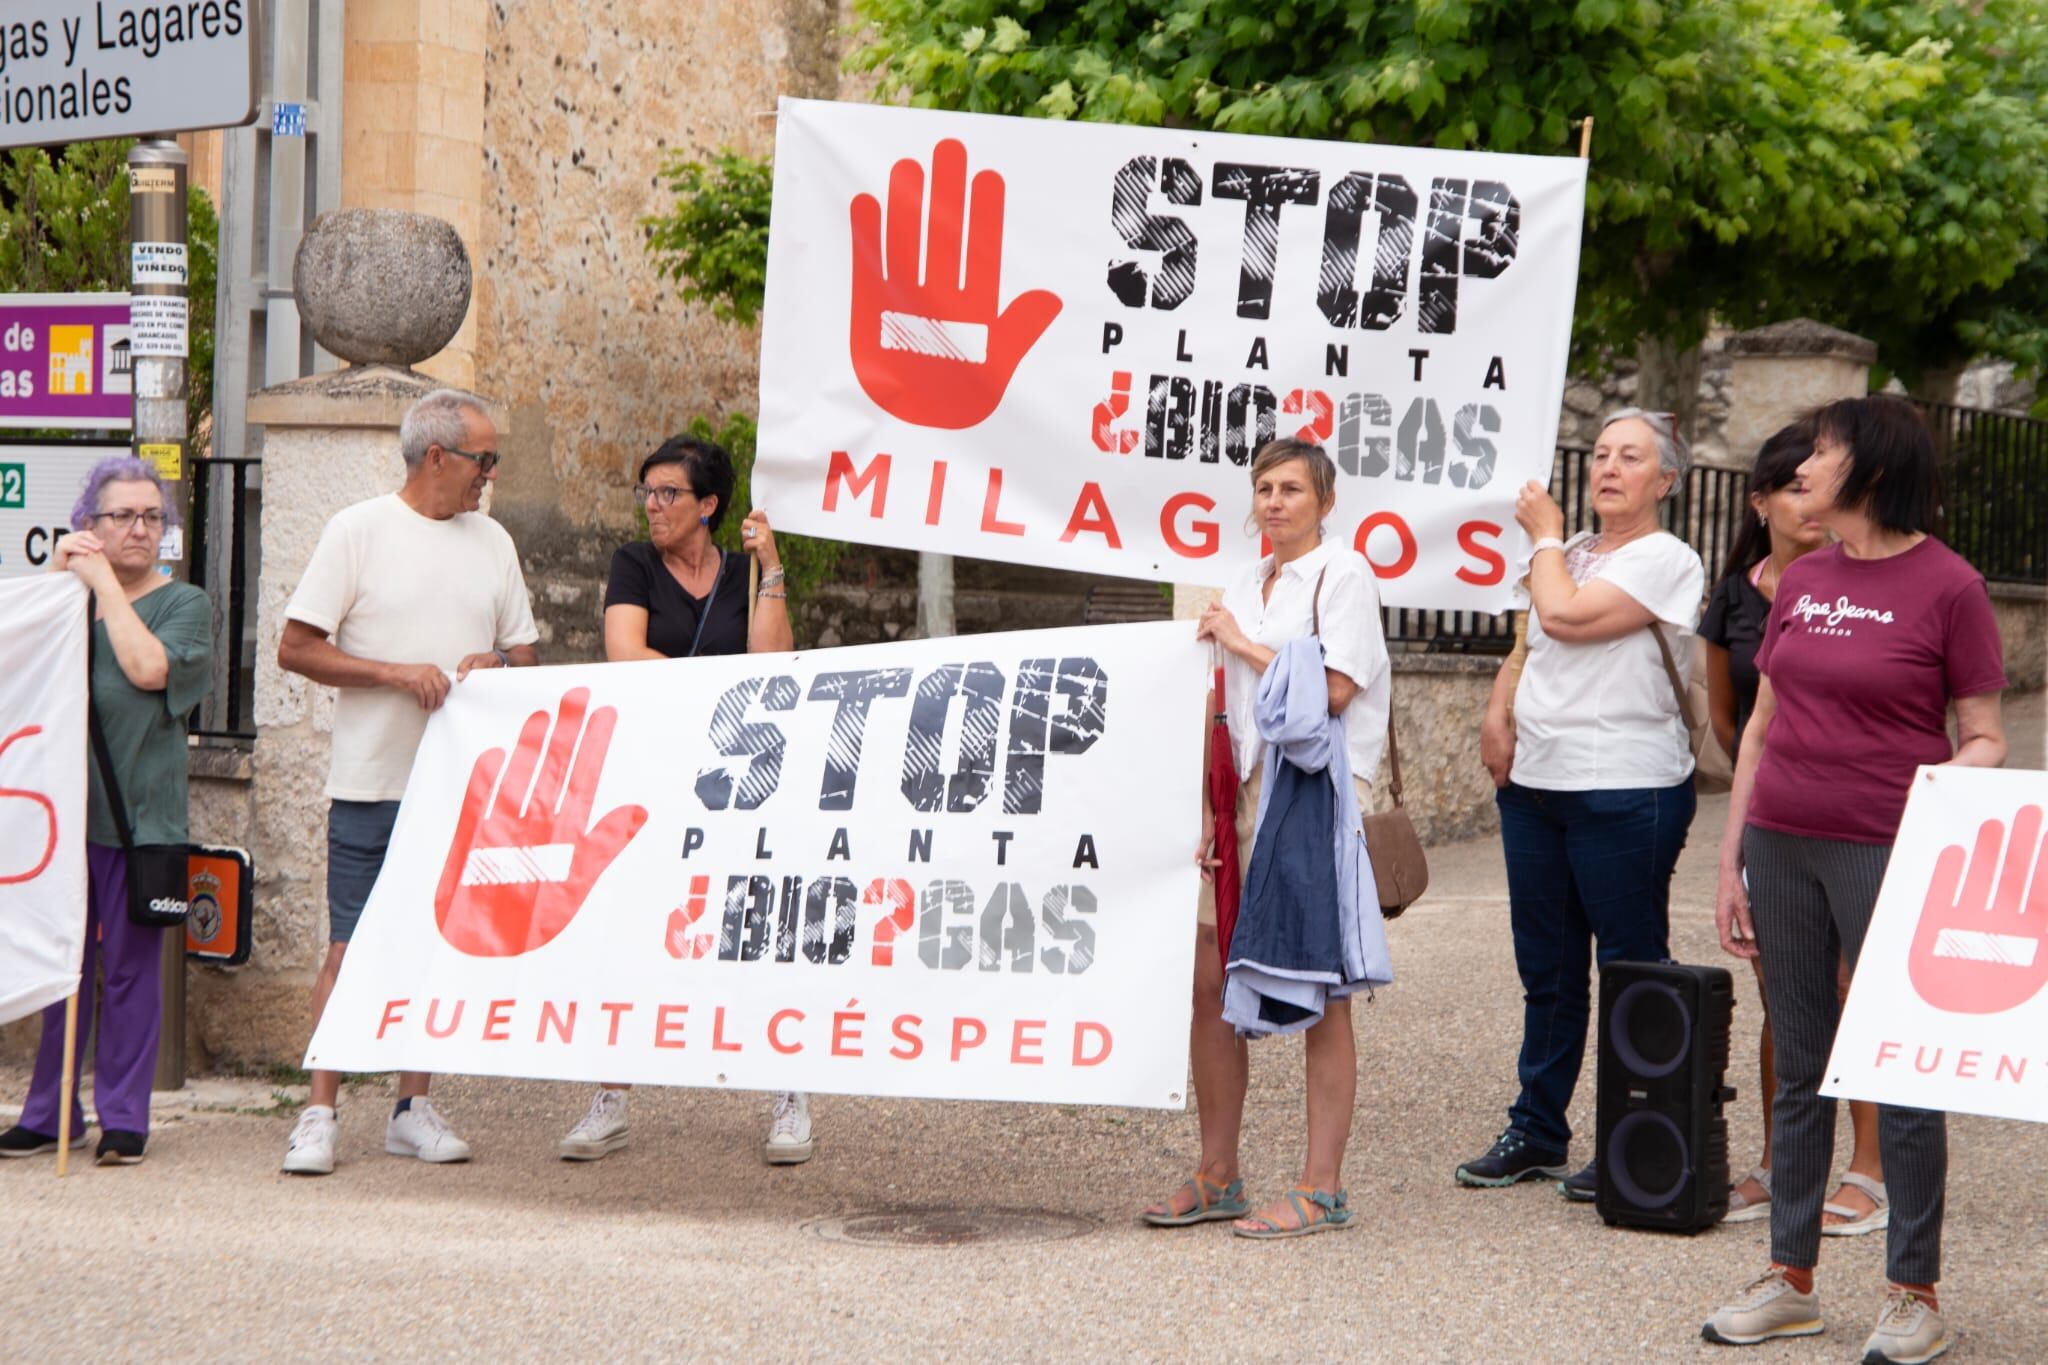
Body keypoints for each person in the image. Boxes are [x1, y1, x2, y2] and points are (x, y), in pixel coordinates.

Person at [1702, 396, 2005, 1365]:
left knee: (1900, 1076)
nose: (1802, 467)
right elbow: (1760, 723)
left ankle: (1911, 1293)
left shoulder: (1949, 587)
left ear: (1866, 467)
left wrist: (1933, 793)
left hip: (1886, 850)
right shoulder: (1801, 577)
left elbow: (1985, 737)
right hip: (1779, 843)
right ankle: (1788, 1279)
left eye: (1820, 452)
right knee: (1800, 1064)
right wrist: (1728, 858)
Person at [276, 389, 541, 1176]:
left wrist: (493, 663)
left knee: (431, 947)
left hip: (457, 786)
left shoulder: (494, 541)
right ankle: (320, 1109)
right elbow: (295, 647)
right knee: (349, 948)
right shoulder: (356, 531)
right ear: (437, 457)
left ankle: (410, 1106)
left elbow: (525, 659)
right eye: (482, 460)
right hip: (371, 780)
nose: (489, 475)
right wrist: (393, 673)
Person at [1140, 436, 1392, 1238]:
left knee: (1322, 991)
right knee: (1210, 973)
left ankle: (1323, 1186)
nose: (1274, 500)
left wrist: (1242, 640)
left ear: (1323, 500)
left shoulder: (1343, 573)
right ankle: (1219, 1172)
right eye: (1264, 487)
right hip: (1244, 795)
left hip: (1313, 797)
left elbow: (1337, 688)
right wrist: (1210, 803)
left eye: (1290, 488)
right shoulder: (1246, 579)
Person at [1458, 408, 1705, 1199]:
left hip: (1626, 786)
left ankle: (1634, 1138)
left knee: (1632, 969)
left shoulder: (1667, 558)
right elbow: (1527, 642)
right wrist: (1500, 711)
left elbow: (1565, 616)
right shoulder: (1565, 553)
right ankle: (1537, 1127)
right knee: (1549, 970)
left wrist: (1540, 535)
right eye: (1600, 452)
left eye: (1630, 457)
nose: (1608, 467)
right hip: (1537, 786)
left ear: (1664, 479)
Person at [555, 434, 806, 1165]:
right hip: (654, 774)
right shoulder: (633, 563)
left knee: (757, 927)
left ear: (709, 507)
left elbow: (772, 660)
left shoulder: (740, 572)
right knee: (632, 926)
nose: (654, 506)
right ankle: (612, 1096)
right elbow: (625, 652)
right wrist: (718, 698)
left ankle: (788, 1092)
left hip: (740, 782)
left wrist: (769, 562)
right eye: (649, 492)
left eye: (669, 494)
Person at [0, 458, 212, 1167]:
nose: (139, 529)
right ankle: (50, 1112)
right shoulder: (66, 598)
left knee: (127, 971)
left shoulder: (183, 605)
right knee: (64, 966)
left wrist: (100, 588)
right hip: (58, 821)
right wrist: (65, 580)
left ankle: (124, 1114)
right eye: (120, 516)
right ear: (89, 526)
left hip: (139, 822)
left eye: (152, 516)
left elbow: (148, 669)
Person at [1702, 423, 1885, 1234]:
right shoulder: (1740, 594)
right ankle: (1785, 1165)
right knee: (1786, 995)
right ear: (1763, 502)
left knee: (1859, 987)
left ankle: (1871, 1167)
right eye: (1791, 481)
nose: (1806, 492)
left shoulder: (1884, 582)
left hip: (1857, 818)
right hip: (1774, 816)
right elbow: (1731, 718)